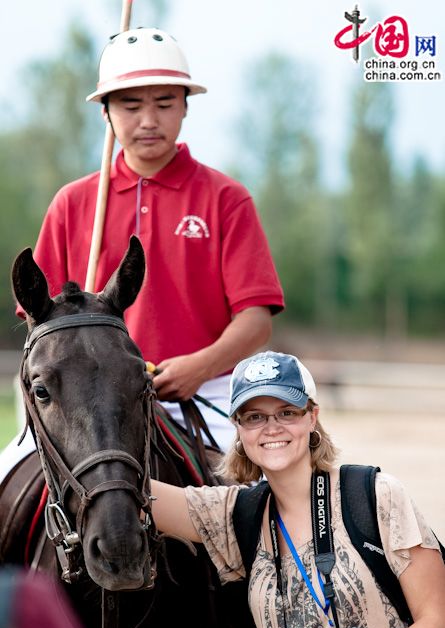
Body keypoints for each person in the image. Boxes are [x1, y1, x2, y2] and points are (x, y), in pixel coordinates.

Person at [16, 26, 284, 452]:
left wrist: (199, 367)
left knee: (261, 501)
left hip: (202, 396)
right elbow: (39, 318)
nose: (148, 120)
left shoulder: (226, 198)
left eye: (164, 103)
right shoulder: (72, 202)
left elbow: (256, 320)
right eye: (130, 105)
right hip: (86, 404)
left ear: (185, 107)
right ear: (105, 112)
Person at [150, 350, 445, 628]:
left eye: (287, 412)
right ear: (239, 428)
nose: (272, 428)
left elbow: (437, 621)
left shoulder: (375, 495)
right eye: (254, 417)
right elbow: (130, 493)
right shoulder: (236, 515)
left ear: (312, 416)